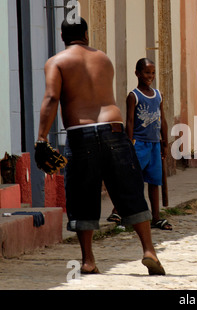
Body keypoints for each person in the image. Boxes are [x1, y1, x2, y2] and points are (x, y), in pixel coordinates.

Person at [37, 18, 165, 275]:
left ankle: (88, 260)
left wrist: (42, 138)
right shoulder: (103, 59)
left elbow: (52, 98)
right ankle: (149, 250)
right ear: (86, 33)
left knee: (82, 195)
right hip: (114, 129)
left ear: (62, 35)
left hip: (80, 134)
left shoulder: (56, 62)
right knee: (129, 190)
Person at [107, 58, 172, 230]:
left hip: (154, 145)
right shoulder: (134, 96)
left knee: (154, 181)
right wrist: (129, 145)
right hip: (139, 144)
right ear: (137, 74)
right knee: (132, 180)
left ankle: (156, 217)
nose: (150, 76)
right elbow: (129, 121)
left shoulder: (158, 95)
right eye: (146, 72)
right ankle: (118, 210)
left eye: (152, 73)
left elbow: (162, 120)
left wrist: (165, 142)